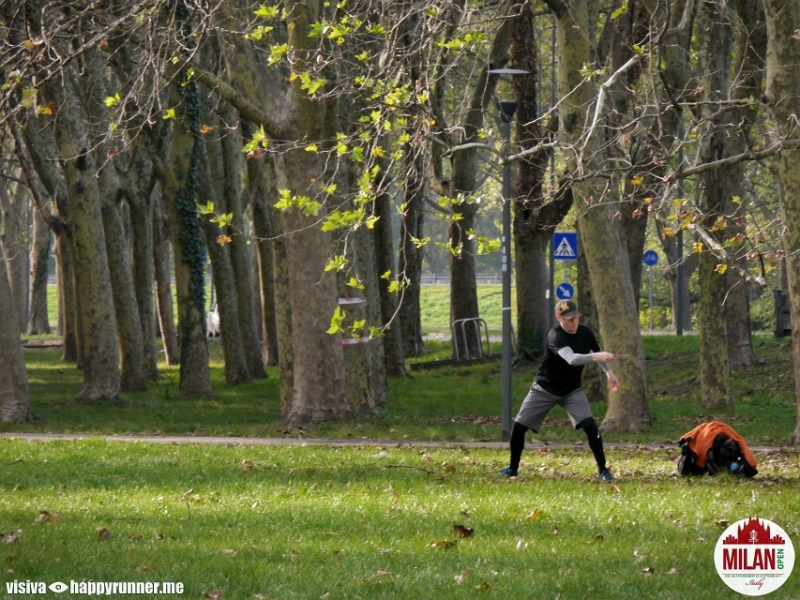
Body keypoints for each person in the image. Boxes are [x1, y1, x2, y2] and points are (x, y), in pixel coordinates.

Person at [501, 299, 619, 481]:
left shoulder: (586, 332)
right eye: (570, 319)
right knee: (518, 428)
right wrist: (596, 356)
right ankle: (512, 468)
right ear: (559, 318)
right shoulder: (555, 336)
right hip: (544, 388)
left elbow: (598, 354)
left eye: (576, 318)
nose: (574, 322)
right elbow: (572, 359)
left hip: (572, 391)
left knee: (591, 428)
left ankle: (603, 470)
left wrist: (609, 373)